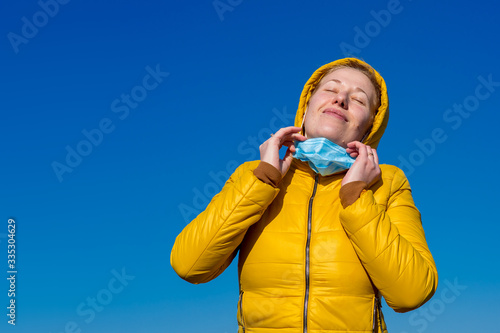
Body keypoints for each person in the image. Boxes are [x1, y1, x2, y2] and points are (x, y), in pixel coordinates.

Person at [171, 57, 438, 333]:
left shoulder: (387, 182)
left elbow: (412, 293)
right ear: (308, 104)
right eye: (331, 90)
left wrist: (356, 196)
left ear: (371, 125)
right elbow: (190, 265)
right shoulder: (255, 175)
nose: (341, 100)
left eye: (358, 100)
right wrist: (264, 181)